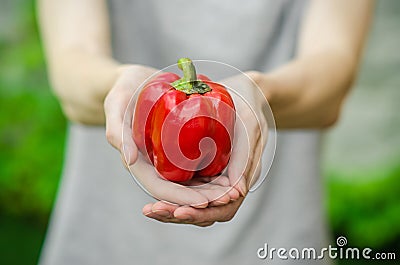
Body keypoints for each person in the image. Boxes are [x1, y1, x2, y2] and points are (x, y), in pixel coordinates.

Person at [37, 0, 374, 264]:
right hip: (105, 239)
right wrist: (117, 85)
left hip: (277, 242)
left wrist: (261, 91)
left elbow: (332, 77)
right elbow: (72, 65)